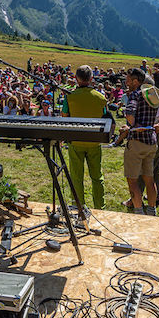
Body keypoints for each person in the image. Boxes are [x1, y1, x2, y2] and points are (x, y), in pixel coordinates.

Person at [121, 68, 159, 216]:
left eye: (128, 80)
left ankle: (139, 212)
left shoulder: (135, 95)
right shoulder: (153, 95)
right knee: (149, 179)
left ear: (136, 81)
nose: (126, 82)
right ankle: (152, 210)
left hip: (136, 142)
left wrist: (133, 125)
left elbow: (130, 114)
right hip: (151, 141)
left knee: (132, 181)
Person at [62, 65, 108, 210]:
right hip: (94, 141)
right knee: (97, 177)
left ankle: (78, 206)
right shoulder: (100, 97)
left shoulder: (70, 97)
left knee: (76, 177)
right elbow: (104, 116)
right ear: (91, 78)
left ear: (76, 78)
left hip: (76, 141)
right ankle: (100, 207)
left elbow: (64, 116)